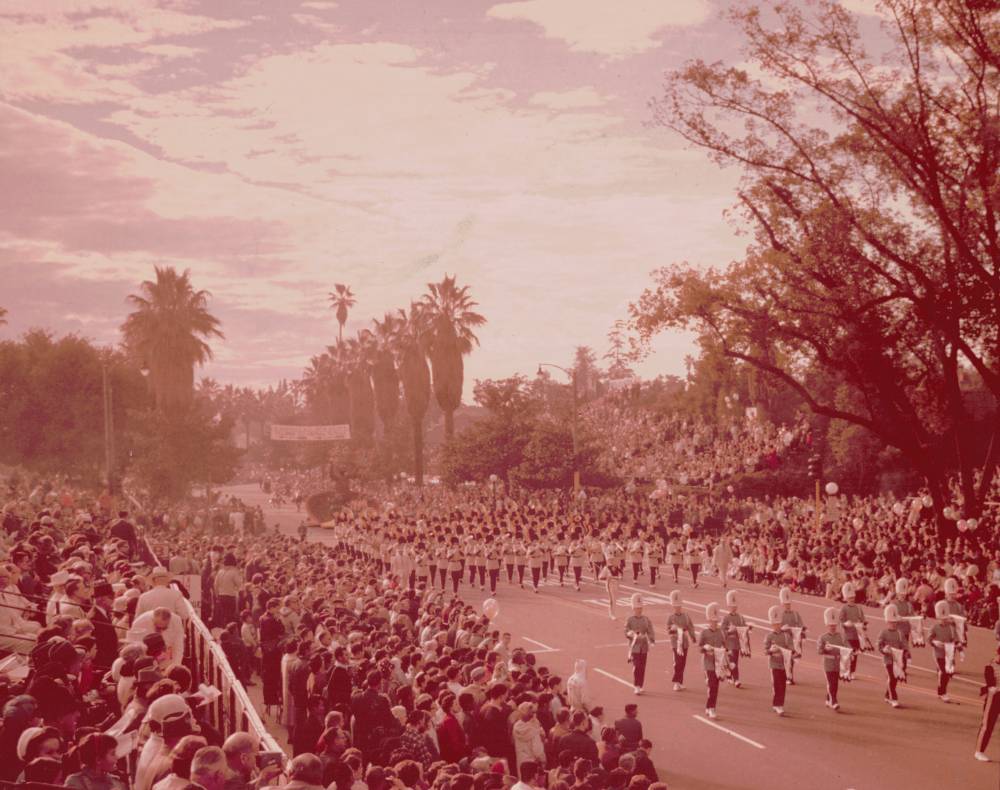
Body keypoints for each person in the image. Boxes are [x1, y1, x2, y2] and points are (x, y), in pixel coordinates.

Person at [764, 605, 794, 716]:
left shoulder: (786, 636)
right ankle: (776, 704)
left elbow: (791, 648)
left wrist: (787, 651)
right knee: (776, 684)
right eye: (774, 624)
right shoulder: (769, 636)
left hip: (783, 664)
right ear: (772, 625)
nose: (777, 626)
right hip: (774, 664)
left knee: (783, 685)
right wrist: (771, 650)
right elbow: (765, 651)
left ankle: (780, 704)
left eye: (778, 624)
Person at [878, 604, 909, 709]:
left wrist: (906, 652)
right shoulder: (883, 632)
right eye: (891, 622)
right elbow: (879, 644)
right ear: (887, 622)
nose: (893, 624)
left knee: (894, 679)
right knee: (891, 677)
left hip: (897, 660)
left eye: (895, 622)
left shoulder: (900, 633)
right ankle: (893, 698)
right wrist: (883, 650)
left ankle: (887, 695)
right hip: (888, 659)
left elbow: (904, 644)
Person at [817, 607, 849, 711]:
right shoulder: (823, 637)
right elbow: (819, 651)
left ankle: (828, 699)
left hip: (837, 663)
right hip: (828, 664)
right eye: (831, 625)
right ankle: (834, 701)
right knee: (831, 683)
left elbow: (846, 647)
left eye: (834, 625)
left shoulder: (841, 636)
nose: (833, 627)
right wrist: (825, 649)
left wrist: (851, 652)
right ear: (827, 625)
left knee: (835, 683)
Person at [698, 602, 726, 719]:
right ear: (709, 620)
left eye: (716, 621)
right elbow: (699, 647)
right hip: (708, 664)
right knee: (712, 686)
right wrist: (705, 648)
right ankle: (711, 708)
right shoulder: (704, 633)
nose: (714, 623)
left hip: (718, 664)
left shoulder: (721, 632)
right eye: (712, 621)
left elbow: (725, 646)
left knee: (715, 686)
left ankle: (710, 706)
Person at [624, 594, 655, 695]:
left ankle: (640, 685)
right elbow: (626, 630)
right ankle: (636, 685)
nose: (639, 610)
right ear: (633, 608)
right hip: (634, 647)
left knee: (642, 667)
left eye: (640, 608)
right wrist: (630, 634)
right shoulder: (630, 619)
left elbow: (650, 630)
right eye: (637, 608)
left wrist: (652, 640)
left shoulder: (646, 619)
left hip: (644, 647)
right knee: (637, 666)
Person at [930, 599, 959, 703]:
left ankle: (941, 689)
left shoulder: (951, 628)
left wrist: (958, 645)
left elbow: (955, 638)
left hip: (949, 654)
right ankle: (943, 692)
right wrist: (935, 643)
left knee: (947, 674)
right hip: (938, 653)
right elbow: (929, 640)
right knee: (943, 671)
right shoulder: (934, 627)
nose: (943, 621)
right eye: (941, 619)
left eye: (945, 618)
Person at [666, 590, 696, 691]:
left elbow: (690, 627)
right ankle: (676, 682)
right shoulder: (670, 617)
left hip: (684, 642)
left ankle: (680, 681)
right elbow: (668, 630)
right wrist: (672, 629)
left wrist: (693, 637)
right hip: (675, 643)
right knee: (677, 662)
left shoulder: (686, 616)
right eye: (675, 606)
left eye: (679, 606)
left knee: (683, 662)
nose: (677, 608)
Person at [974, 647, 1000, 762]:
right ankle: (979, 751)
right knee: (987, 724)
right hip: (993, 698)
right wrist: (992, 687)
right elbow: (990, 684)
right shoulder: (990, 667)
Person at [839, 583, 868, 680]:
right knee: (848, 654)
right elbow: (841, 621)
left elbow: (862, 619)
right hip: (848, 636)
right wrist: (846, 624)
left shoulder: (859, 608)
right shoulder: (844, 608)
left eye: (853, 597)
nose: (852, 599)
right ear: (846, 598)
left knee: (855, 655)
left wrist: (864, 624)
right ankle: (844, 670)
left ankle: (852, 671)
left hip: (857, 635)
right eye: (849, 598)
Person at [721, 589, 749, 688]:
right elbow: (722, 630)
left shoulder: (740, 618)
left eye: (735, 606)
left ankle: (731, 675)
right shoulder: (726, 618)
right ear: (728, 606)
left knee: (735, 661)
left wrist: (747, 628)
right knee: (732, 661)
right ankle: (736, 678)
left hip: (737, 643)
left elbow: (744, 628)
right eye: (731, 606)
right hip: (729, 643)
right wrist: (729, 631)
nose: (733, 608)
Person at [778, 586, 805, 685]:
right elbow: (777, 627)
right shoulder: (780, 614)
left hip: (792, 640)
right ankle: (784, 676)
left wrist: (802, 630)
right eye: (785, 604)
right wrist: (782, 628)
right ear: (782, 603)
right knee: (783, 660)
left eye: (789, 603)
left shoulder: (795, 614)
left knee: (791, 659)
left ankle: (790, 676)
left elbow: (801, 625)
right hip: (783, 639)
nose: (787, 605)